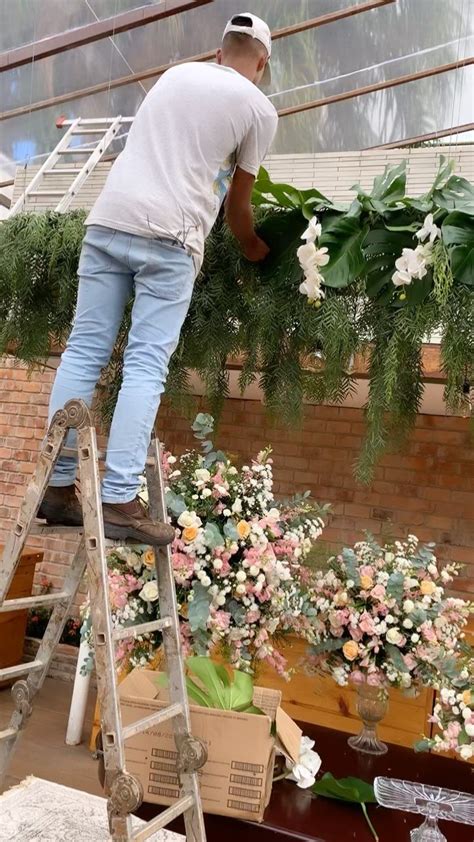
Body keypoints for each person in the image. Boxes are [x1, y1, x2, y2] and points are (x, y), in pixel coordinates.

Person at [39, 12, 279, 545]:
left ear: (221, 51)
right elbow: (238, 207)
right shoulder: (258, 108)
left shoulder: (174, 75)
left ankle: (56, 489)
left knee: (83, 349)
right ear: (261, 62)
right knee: (145, 362)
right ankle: (120, 497)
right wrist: (256, 249)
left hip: (107, 221)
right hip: (169, 237)